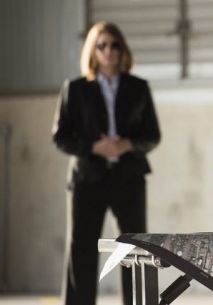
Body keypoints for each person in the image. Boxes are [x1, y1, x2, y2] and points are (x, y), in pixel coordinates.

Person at [52, 22, 161, 305]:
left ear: (122, 49)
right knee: (81, 249)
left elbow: (152, 134)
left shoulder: (138, 87)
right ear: (92, 50)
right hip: (87, 178)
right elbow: (60, 136)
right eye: (101, 45)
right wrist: (93, 147)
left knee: (134, 248)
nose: (108, 51)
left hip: (128, 177)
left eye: (114, 45)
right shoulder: (75, 89)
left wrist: (127, 144)